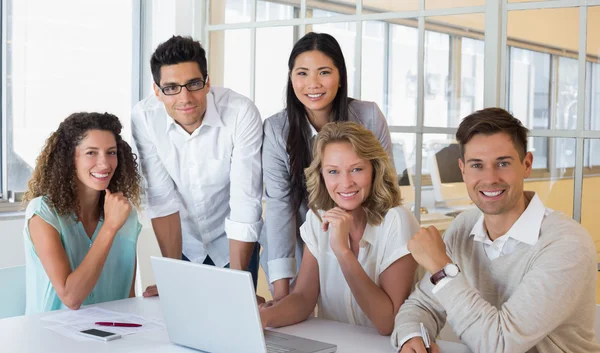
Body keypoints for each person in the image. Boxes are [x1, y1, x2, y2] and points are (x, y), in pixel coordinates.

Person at [393, 108, 600, 353]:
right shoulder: (463, 226)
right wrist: (411, 337)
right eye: (477, 165)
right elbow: (421, 305)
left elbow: (497, 346)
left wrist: (441, 267)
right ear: (463, 170)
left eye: (503, 163)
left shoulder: (566, 244)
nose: (490, 178)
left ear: (526, 165)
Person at [263, 32, 395, 301]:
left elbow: (385, 188)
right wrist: (281, 289)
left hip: (365, 242)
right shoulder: (277, 129)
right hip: (305, 245)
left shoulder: (368, 116)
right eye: (302, 73)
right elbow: (279, 206)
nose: (313, 84)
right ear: (291, 78)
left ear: (340, 76)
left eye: (324, 72)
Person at [131, 36, 263, 295]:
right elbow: (161, 198)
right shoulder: (144, 118)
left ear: (207, 82)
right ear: (157, 91)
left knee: (237, 325)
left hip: (234, 242)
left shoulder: (240, 112)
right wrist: (172, 274)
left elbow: (245, 201)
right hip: (182, 242)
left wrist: (238, 286)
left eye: (193, 84)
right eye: (171, 88)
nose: (185, 98)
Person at [260, 122, 418, 335]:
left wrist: (342, 251)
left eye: (356, 169)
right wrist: (263, 318)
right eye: (333, 171)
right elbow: (304, 299)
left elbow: (388, 322)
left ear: (374, 170)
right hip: (338, 350)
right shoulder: (317, 218)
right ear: (321, 175)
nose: (345, 183)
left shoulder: (397, 221)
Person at [23, 112, 142, 314]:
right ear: (70, 158)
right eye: (91, 153)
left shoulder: (125, 213)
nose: (104, 164)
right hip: (51, 337)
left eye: (111, 152)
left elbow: (127, 296)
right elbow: (71, 297)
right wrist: (110, 227)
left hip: (111, 335)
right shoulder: (43, 213)